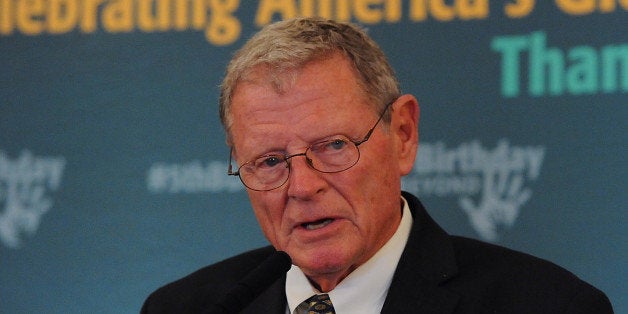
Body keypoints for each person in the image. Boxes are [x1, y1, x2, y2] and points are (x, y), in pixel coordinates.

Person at [142, 17, 613, 313]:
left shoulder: (549, 304)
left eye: (333, 145)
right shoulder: (186, 306)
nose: (302, 186)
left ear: (403, 134)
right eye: (269, 160)